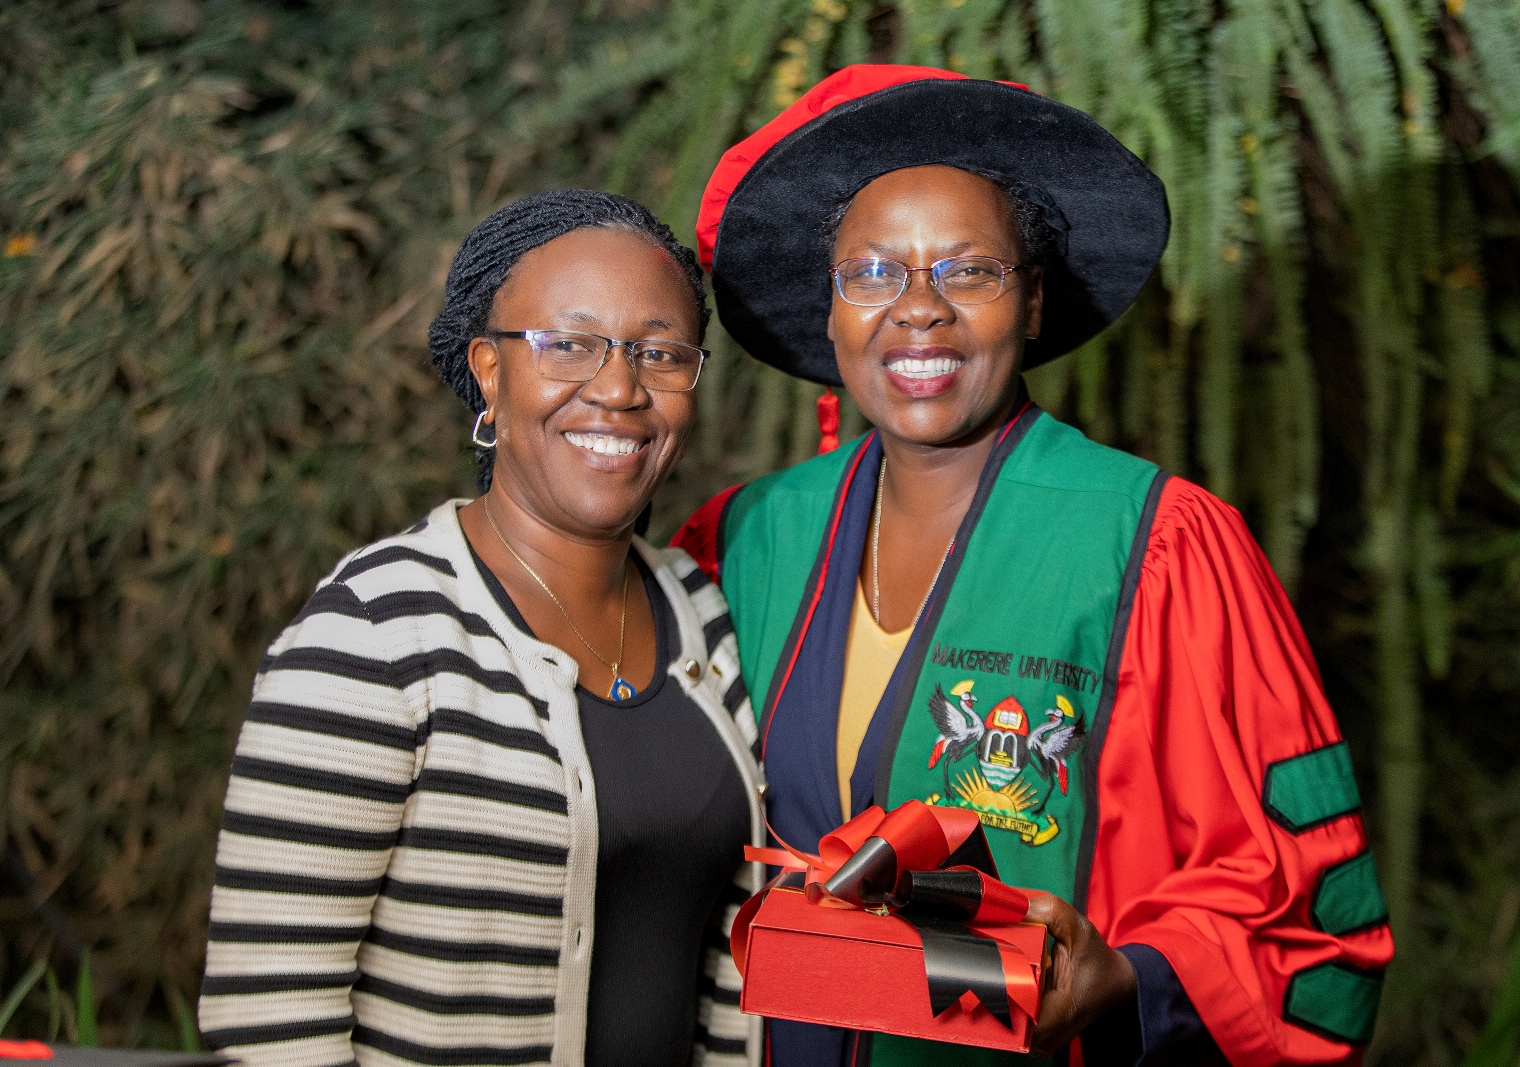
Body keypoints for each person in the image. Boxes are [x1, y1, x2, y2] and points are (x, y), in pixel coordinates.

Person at [674, 65, 1395, 1067]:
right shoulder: (742, 538)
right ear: (829, 309)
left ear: (1035, 299)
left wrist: (1131, 979)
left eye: (968, 269)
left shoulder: (1161, 543)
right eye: (871, 272)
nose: (916, 308)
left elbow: (1304, 903)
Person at [197, 190, 764, 1067]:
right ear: (490, 374)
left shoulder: (702, 614)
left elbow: (731, 957)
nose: (618, 388)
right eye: (567, 343)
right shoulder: (375, 633)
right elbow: (268, 1018)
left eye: (659, 352)